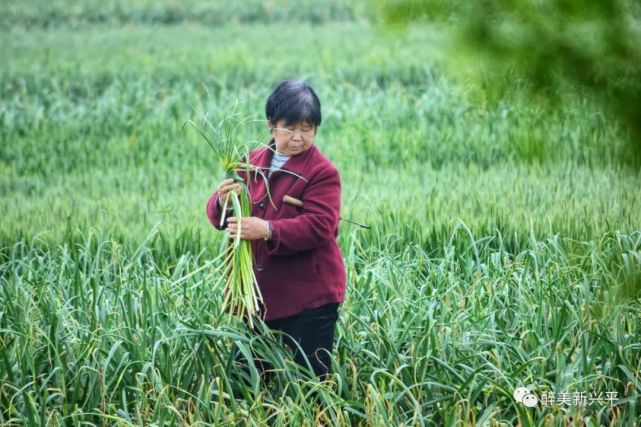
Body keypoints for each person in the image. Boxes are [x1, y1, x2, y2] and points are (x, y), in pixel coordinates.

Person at [205, 79, 346, 382]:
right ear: (271, 125)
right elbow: (221, 219)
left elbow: (320, 226)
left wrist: (267, 229)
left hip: (310, 297)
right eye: (289, 128)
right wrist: (222, 201)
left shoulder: (322, 172)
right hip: (258, 297)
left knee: (312, 382)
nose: (298, 137)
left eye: (306, 129)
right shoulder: (251, 162)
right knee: (249, 381)